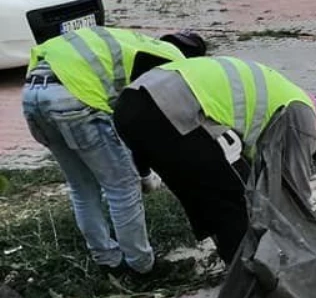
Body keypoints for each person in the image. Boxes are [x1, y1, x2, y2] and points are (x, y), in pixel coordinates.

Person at [112, 57, 316, 264]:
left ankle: (238, 270)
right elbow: (296, 191)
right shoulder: (303, 113)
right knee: (232, 201)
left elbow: (252, 169)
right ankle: (250, 281)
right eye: (315, 144)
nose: (310, 148)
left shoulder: (279, 95)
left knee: (206, 198)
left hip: (129, 106)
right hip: (166, 108)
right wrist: (313, 245)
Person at [22, 27, 207, 273]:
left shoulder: (135, 44)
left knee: (82, 186)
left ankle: (107, 260)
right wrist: (143, 174)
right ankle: (142, 266)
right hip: (74, 97)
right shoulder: (173, 62)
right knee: (122, 186)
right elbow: (141, 126)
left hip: (33, 94)